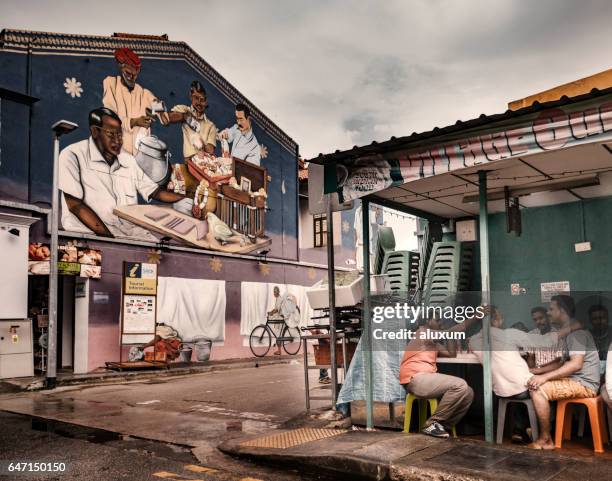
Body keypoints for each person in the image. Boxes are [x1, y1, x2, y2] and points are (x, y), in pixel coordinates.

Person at [59, 108, 185, 239]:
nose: (118, 141)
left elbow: (155, 192)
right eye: (111, 134)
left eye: (119, 135)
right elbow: (75, 205)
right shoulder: (72, 155)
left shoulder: (128, 160)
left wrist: (187, 198)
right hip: (89, 237)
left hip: (130, 235)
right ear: (95, 131)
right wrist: (110, 240)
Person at [469, 306, 572, 443]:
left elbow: (559, 362)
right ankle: (540, 430)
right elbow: (544, 342)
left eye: (541, 318)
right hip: (524, 382)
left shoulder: (473, 340)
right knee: (529, 386)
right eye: (500, 317)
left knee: (523, 385)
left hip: (500, 390)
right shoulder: (510, 334)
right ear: (495, 320)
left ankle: (521, 430)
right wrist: (573, 326)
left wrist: (535, 370)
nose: (538, 322)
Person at [527, 295, 600, 450]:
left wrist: (543, 378)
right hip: (577, 380)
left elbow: (576, 364)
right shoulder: (569, 331)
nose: (548, 312)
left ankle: (545, 440)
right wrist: (538, 372)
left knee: (537, 390)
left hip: (584, 384)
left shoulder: (576, 334)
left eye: (552, 309)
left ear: (562, 310)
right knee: (536, 381)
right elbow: (561, 363)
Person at [400, 313, 479, 438]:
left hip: (425, 378)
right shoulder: (423, 332)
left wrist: (450, 335)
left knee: (468, 392)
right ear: (427, 321)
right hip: (415, 378)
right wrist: (477, 316)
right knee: (460, 385)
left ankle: (442, 426)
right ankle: (431, 424)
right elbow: (453, 331)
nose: (440, 324)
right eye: (437, 320)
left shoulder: (433, 343)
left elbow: (451, 354)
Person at [103, 47, 161, 155]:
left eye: (135, 75)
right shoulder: (111, 84)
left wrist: (155, 113)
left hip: (141, 155)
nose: (131, 77)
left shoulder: (143, 93)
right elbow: (110, 119)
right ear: (121, 68)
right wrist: (135, 122)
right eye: (128, 73)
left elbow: (160, 109)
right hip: (119, 154)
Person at [165, 81, 219, 195]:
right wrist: (185, 117)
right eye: (196, 98)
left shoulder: (210, 125)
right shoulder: (185, 110)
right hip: (189, 166)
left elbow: (210, 150)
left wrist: (200, 143)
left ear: (206, 102)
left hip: (204, 170)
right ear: (191, 97)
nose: (199, 102)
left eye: (202, 99)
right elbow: (169, 117)